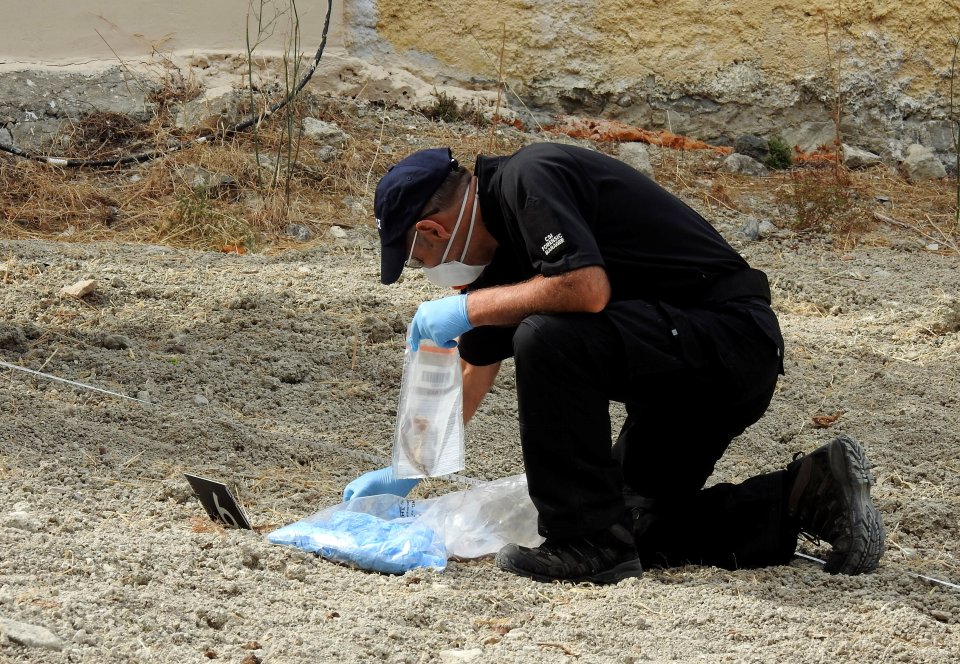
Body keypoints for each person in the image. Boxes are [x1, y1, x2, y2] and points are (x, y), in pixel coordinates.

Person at [343, 143, 885, 584]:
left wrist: (466, 307)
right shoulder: (497, 261)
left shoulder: (529, 178)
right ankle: (802, 494)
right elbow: (471, 372)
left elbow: (585, 288)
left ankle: (584, 542)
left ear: (432, 230)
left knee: (546, 337)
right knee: (633, 525)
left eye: (417, 258)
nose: (427, 269)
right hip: (673, 375)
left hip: (727, 340)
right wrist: (404, 472)